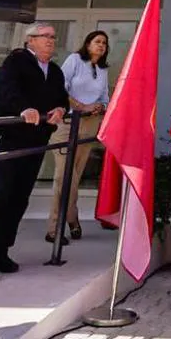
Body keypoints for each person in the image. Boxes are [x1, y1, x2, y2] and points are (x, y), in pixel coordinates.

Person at [0, 23, 66, 282]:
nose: (50, 40)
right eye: (45, 36)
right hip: (11, 139)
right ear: (30, 40)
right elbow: (7, 92)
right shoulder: (16, 61)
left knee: (19, 198)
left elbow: (62, 98)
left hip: (36, 141)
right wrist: (24, 108)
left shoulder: (55, 71)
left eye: (52, 37)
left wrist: (60, 109)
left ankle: (2, 251)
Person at [47, 30, 109, 244]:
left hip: (90, 125)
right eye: (97, 41)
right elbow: (59, 88)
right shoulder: (75, 60)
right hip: (68, 122)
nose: (101, 45)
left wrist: (100, 106)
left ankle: (71, 217)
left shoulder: (102, 69)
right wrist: (82, 106)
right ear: (88, 43)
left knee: (76, 174)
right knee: (64, 176)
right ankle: (55, 227)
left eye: (104, 43)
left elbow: (105, 97)